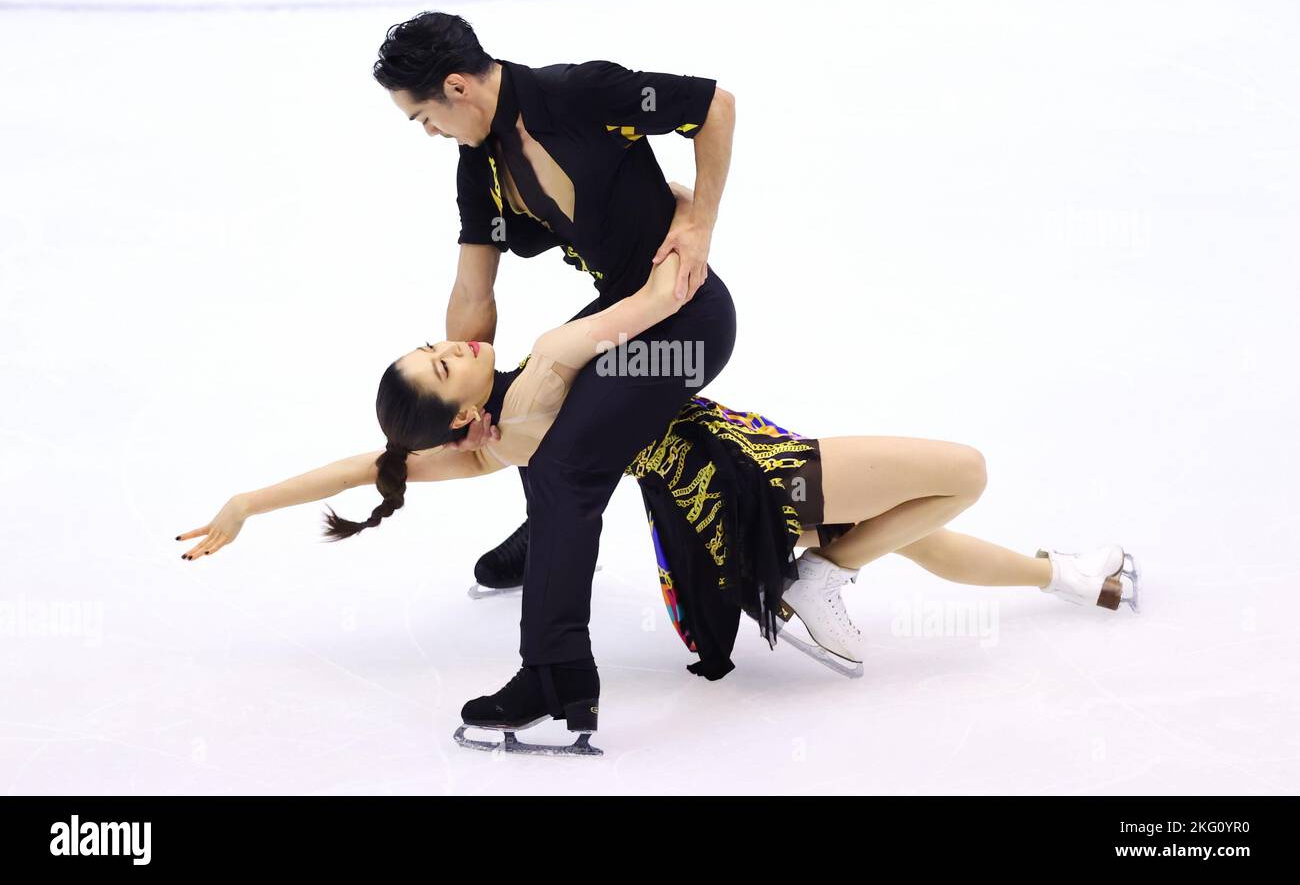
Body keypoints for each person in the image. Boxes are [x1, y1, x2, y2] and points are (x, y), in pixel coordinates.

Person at [175, 244, 1140, 756]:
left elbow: (368, 468)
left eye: (440, 344)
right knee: (962, 471)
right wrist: (674, 256)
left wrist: (248, 501)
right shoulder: (535, 384)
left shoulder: (497, 447)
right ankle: (824, 574)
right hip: (755, 472)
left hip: (728, 494)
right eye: (442, 361)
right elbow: (657, 301)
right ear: (456, 403)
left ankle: (1074, 578)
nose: (457, 343)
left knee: (922, 535)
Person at [369, 11, 739, 730]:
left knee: (568, 467)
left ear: (455, 88)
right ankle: (547, 533)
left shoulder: (580, 94)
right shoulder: (480, 169)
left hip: (685, 323)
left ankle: (556, 673)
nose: (428, 132)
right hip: (619, 313)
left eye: (422, 117)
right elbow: (475, 294)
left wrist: (698, 227)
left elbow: (714, 107)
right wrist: (467, 406)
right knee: (522, 396)